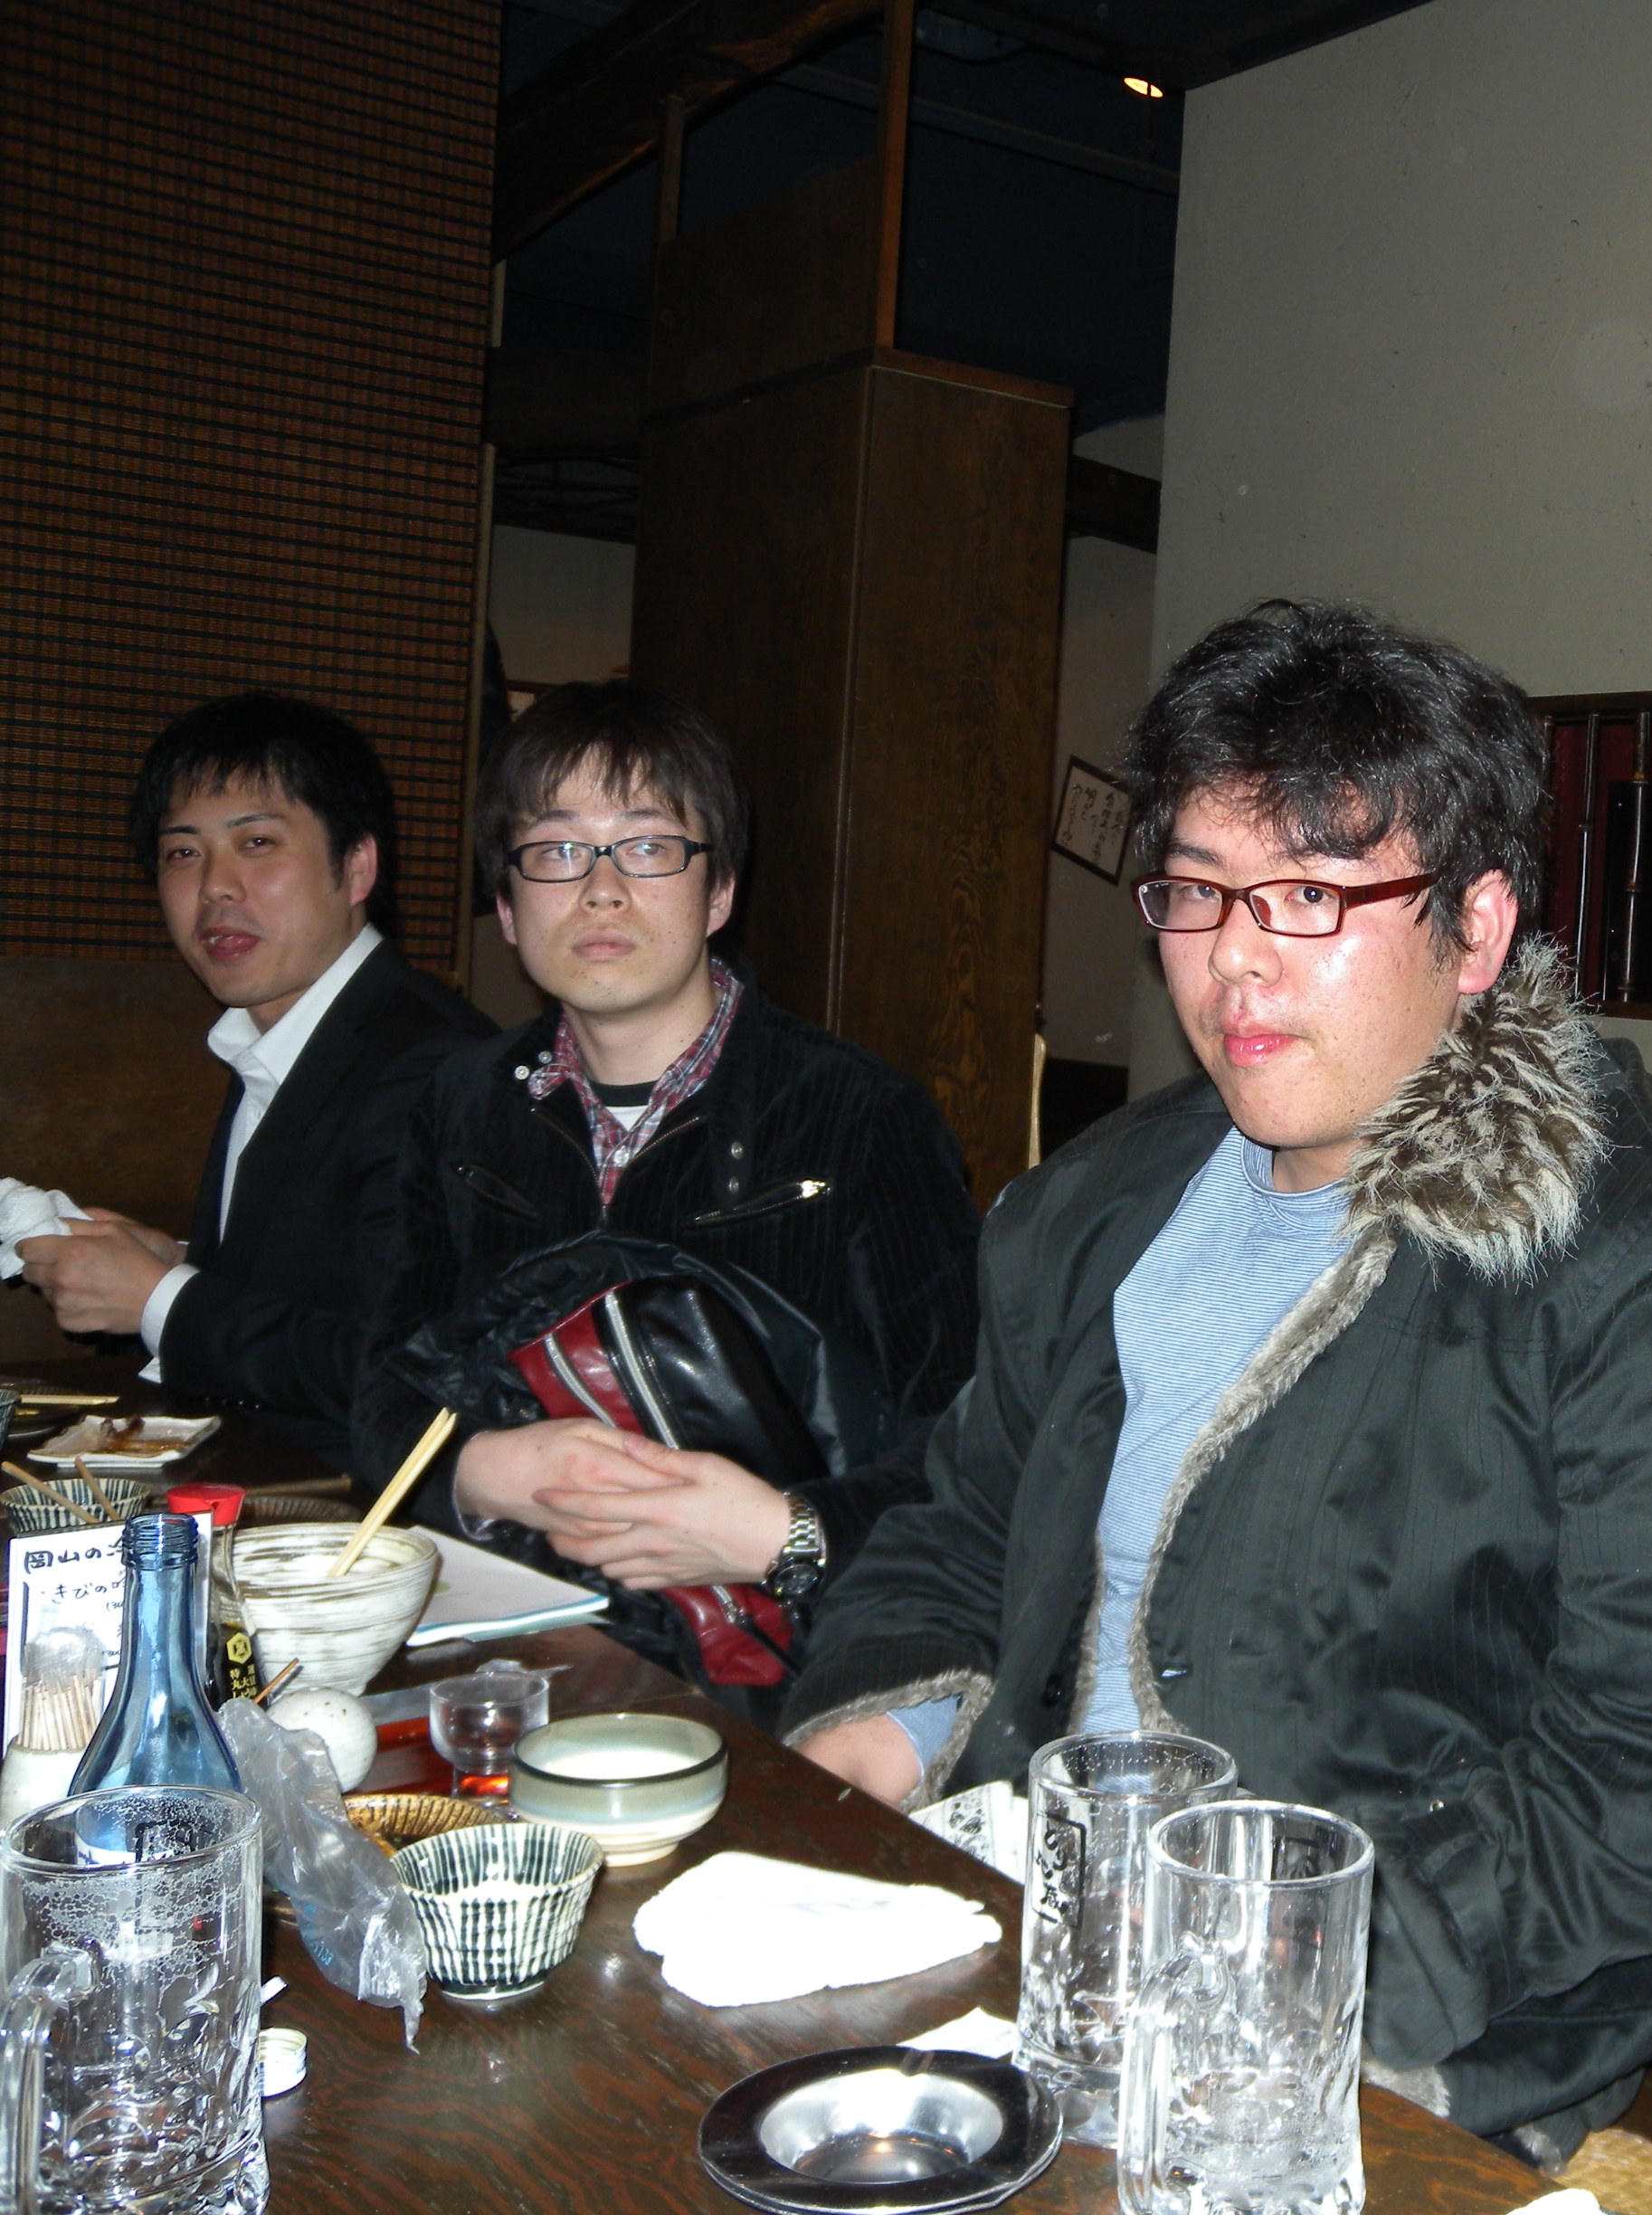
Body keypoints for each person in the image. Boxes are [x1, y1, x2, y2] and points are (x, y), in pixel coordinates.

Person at [783, 600, 1652, 2162]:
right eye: (1197, 891)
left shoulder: (1650, 1244)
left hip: (1416, 2016)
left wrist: (1271, 1964)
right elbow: (962, 1531)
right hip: (1026, 1923)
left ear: (1477, 930)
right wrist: (875, 1745)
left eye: (1311, 896)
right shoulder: (1096, 1204)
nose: (1233, 959)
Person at [351, 682, 981, 1706]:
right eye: (557, 850)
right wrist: (483, 1468)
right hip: (523, 1649)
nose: (601, 891)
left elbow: (971, 1440)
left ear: (719, 890)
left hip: (784, 1668)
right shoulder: (462, 1107)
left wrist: (782, 1531)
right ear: (506, 906)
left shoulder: (862, 1115)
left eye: (647, 848)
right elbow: (383, 1390)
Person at [16, 693, 492, 1468]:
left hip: (370, 1520)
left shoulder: (437, 1064)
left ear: (357, 866)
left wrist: (159, 1300)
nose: (215, 887)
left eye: (258, 842)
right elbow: (328, 1285)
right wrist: (181, 1267)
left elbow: (414, 1373)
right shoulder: (277, 1035)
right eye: (183, 853)